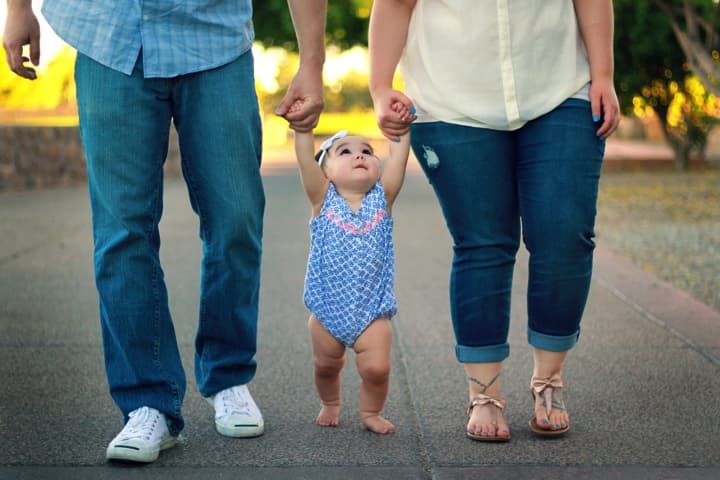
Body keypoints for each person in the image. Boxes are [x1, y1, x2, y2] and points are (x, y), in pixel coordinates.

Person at [3, 0, 326, 463]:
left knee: (237, 216)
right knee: (121, 231)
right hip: (108, 37)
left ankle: (228, 374)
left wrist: (312, 62)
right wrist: (18, 9)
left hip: (214, 38)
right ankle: (146, 400)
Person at [369, 0, 620, 441]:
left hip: (561, 89)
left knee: (564, 235)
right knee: (483, 244)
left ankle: (549, 381)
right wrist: (379, 87)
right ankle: (483, 392)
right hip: (450, 100)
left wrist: (603, 74)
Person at [288, 101, 414, 434]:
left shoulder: (382, 199)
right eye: (344, 151)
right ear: (325, 172)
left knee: (377, 369)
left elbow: (399, 159)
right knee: (325, 365)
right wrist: (303, 130)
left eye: (367, 151)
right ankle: (330, 402)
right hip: (327, 312)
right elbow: (304, 161)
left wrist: (399, 131)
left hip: (371, 312)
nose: (359, 155)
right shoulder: (322, 200)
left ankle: (371, 411)